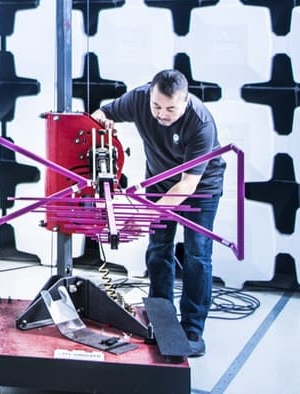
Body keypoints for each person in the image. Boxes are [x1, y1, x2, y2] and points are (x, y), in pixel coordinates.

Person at [90, 69, 225, 358]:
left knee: (197, 255)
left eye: (170, 108)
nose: (162, 114)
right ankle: (161, 313)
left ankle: (192, 331)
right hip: (159, 180)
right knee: (158, 249)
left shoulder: (201, 124)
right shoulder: (139, 99)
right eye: (156, 106)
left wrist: (147, 214)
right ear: (149, 95)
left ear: (185, 101)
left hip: (201, 188)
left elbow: (187, 183)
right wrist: (103, 127)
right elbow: (101, 113)